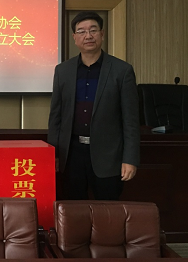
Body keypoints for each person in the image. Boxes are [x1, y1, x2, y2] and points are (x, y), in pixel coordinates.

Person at [48, 11, 139, 200]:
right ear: (74, 37)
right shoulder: (63, 71)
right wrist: (53, 155)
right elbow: (56, 118)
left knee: (107, 212)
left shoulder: (122, 71)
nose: (88, 36)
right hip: (71, 155)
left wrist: (130, 159)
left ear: (102, 34)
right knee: (72, 210)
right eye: (81, 31)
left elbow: (130, 120)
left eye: (93, 30)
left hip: (109, 156)